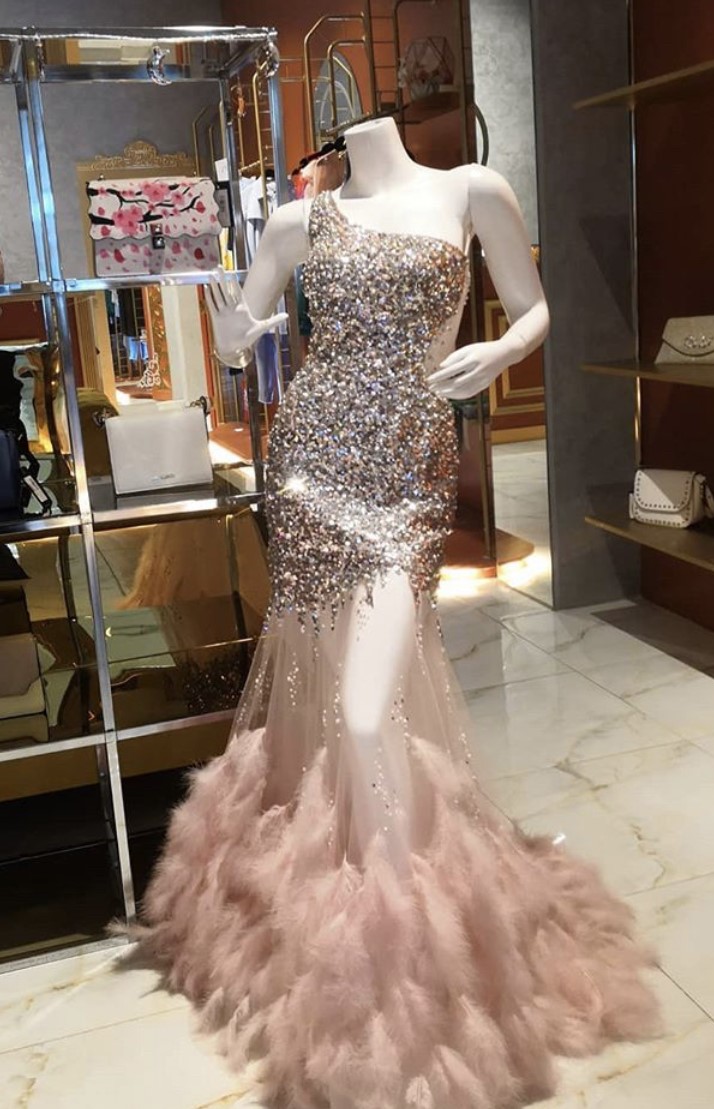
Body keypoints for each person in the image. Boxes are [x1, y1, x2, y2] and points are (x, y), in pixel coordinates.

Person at [136, 117, 659, 1109]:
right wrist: (233, 327)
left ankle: (402, 930)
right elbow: (240, 339)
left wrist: (499, 349)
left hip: (409, 469)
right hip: (312, 463)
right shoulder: (296, 221)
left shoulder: (470, 189)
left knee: (368, 709)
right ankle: (356, 895)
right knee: (331, 685)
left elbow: (535, 307)